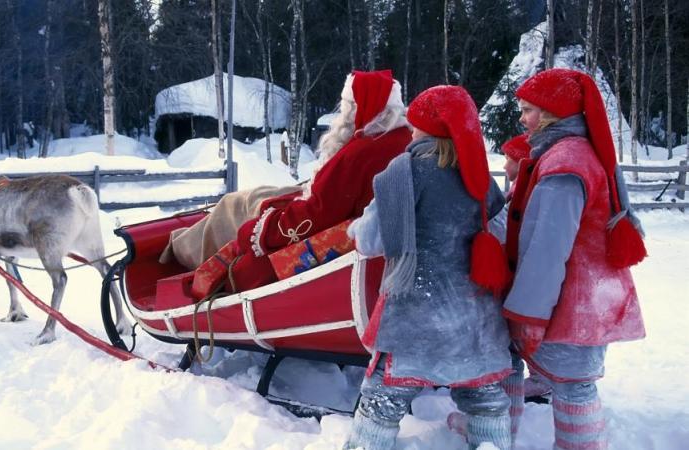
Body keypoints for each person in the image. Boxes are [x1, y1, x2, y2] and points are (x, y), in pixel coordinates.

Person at [343, 85, 513, 450]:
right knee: (485, 399)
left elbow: (370, 241)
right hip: (473, 319)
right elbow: (499, 232)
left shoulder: (403, 172)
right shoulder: (478, 177)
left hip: (414, 317)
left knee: (382, 401)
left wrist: (355, 226)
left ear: (424, 128)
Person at [500, 68, 646, 449]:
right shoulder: (575, 152)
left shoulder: (565, 164)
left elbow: (547, 248)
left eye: (529, 110)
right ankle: (501, 434)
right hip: (585, 295)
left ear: (553, 114)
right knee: (567, 379)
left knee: (573, 386)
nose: (522, 118)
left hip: (570, 300)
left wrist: (528, 315)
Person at [229, 69, 413, 291]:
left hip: (346, 252)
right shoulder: (405, 139)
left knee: (248, 263)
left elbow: (319, 213)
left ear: (359, 108)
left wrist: (263, 230)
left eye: (347, 106)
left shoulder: (360, 153)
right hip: (381, 244)